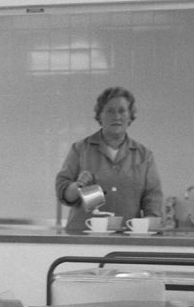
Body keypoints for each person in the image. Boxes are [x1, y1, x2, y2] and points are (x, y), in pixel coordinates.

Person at [56, 86, 164, 233]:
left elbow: (153, 198)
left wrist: (149, 222)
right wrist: (78, 186)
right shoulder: (80, 149)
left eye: (122, 111)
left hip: (126, 240)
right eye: (110, 111)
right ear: (100, 116)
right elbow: (64, 194)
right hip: (82, 238)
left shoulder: (144, 156)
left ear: (130, 116)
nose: (116, 116)